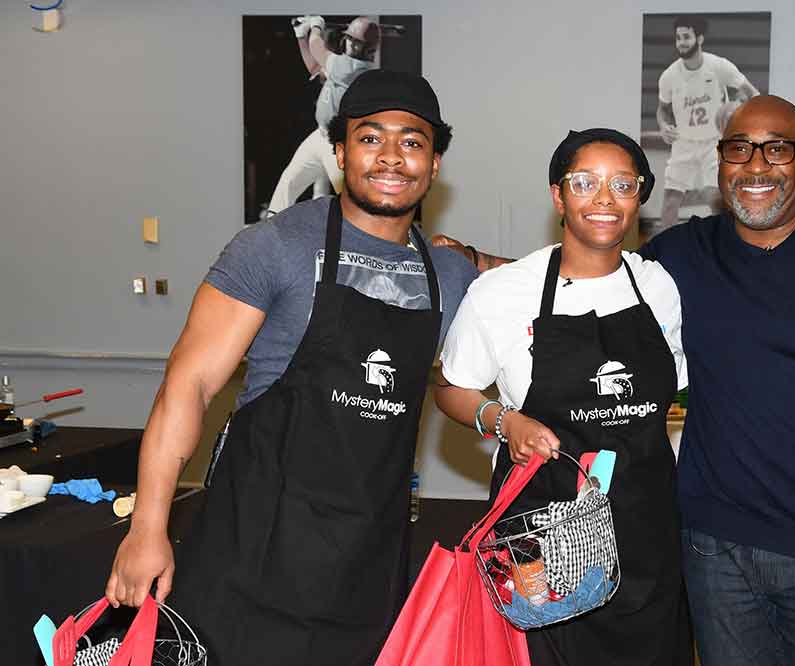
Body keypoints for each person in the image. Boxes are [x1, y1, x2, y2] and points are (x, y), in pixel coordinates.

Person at [435, 96, 795, 666]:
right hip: (709, 548)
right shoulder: (683, 256)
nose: (757, 166)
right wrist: (480, 264)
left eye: (777, 148)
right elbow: (586, 271)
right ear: (720, 161)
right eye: (740, 149)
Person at [105, 69, 478, 666]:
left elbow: (547, 283)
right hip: (253, 555)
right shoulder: (273, 247)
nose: (390, 157)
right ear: (338, 151)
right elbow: (191, 384)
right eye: (369, 137)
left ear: (434, 165)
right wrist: (148, 526)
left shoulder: (451, 276)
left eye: (411, 142)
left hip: (368, 566)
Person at [435, 128, 692, 666]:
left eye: (622, 183)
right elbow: (449, 388)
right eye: (585, 182)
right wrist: (504, 421)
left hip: (647, 533)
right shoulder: (504, 293)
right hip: (543, 539)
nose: (604, 198)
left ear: (640, 196)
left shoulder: (658, 288)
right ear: (558, 194)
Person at [651, 15, 758, 238]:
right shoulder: (669, 76)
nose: (681, 42)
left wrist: (739, 109)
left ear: (699, 38)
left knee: (714, 198)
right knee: (670, 201)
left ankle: (723, 243)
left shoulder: (718, 66)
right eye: (678, 38)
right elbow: (662, 109)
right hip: (684, 143)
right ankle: (666, 250)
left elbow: (752, 93)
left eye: (686, 37)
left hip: (714, 142)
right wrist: (663, 126)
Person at [267, 14, 380, 214]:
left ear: (357, 46)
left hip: (338, 145)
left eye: (353, 40)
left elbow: (318, 50)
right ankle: (271, 223)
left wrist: (316, 26)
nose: (349, 43)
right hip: (319, 136)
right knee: (289, 182)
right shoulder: (344, 64)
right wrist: (301, 36)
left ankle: (366, 237)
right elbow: (314, 66)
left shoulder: (353, 69)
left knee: (351, 202)